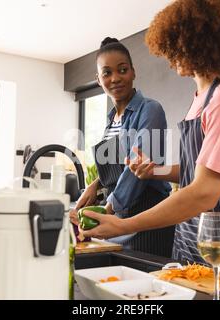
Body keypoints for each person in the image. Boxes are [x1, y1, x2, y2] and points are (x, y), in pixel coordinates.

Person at [81, 0, 220, 278]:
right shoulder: (204, 97)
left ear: (201, 44)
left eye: (176, 46)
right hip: (193, 236)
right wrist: (156, 172)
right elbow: (198, 173)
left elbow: (202, 192)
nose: (170, 55)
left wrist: (123, 225)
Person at [70, 37, 175, 257]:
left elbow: (137, 170)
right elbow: (117, 167)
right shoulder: (111, 120)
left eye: (123, 70)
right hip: (117, 221)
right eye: (107, 73)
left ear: (133, 72)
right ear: (98, 79)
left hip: (148, 221)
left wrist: (107, 210)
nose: (115, 78)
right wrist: (94, 187)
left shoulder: (150, 110)